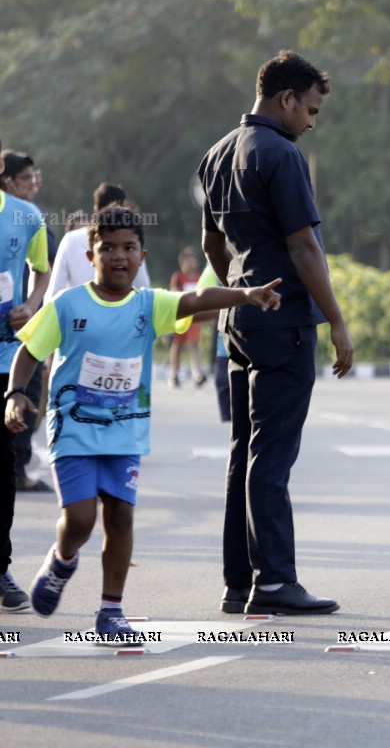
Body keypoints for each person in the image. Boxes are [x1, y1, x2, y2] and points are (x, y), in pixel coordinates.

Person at [6, 206, 282, 640]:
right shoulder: (68, 304)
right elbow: (28, 352)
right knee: (80, 520)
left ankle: (111, 610)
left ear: (141, 255)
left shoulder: (149, 305)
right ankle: (62, 558)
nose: (119, 256)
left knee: (120, 517)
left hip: (125, 433)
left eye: (128, 248)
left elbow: (196, 300)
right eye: (108, 248)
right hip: (74, 428)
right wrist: (16, 394)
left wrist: (245, 295)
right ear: (91, 256)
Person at [198, 49, 353, 616]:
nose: (312, 121)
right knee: (272, 456)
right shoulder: (281, 154)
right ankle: (274, 582)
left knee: (244, 451)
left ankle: (239, 582)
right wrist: (335, 320)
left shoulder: (217, 154)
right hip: (283, 319)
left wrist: (238, 289)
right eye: (310, 108)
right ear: (286, 98)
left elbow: (213, 243)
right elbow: (303, 245)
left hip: (238, 319)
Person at [0, 153, 50, 612]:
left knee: (5, 470)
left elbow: (42, 271)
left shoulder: (25, 216)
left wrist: (32, 304)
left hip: (5, 357)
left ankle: (1, 568)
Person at [49, 185, 151, 298]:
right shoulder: (131, 244)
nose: (119, 256)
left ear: (95, 209)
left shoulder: (72, 239)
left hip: (78, 313)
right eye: (107, 248)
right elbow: (143, 286)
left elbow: (54, 292)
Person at [196, 263, 232, 422]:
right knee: (224, 380)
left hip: (261, 345)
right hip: (227, 343)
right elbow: (200, 299)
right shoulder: (213, 267)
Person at [169, 247, 206, 388]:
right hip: (180, 316)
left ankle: (197, 374)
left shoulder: (199, 278)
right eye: (188, 261)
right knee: (178, 345)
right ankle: (174, 373)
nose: (191, 264)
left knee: (194, 344)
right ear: (182, 263)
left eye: (193, 260)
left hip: (194, 317)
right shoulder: (178, 277)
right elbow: (173, 291)